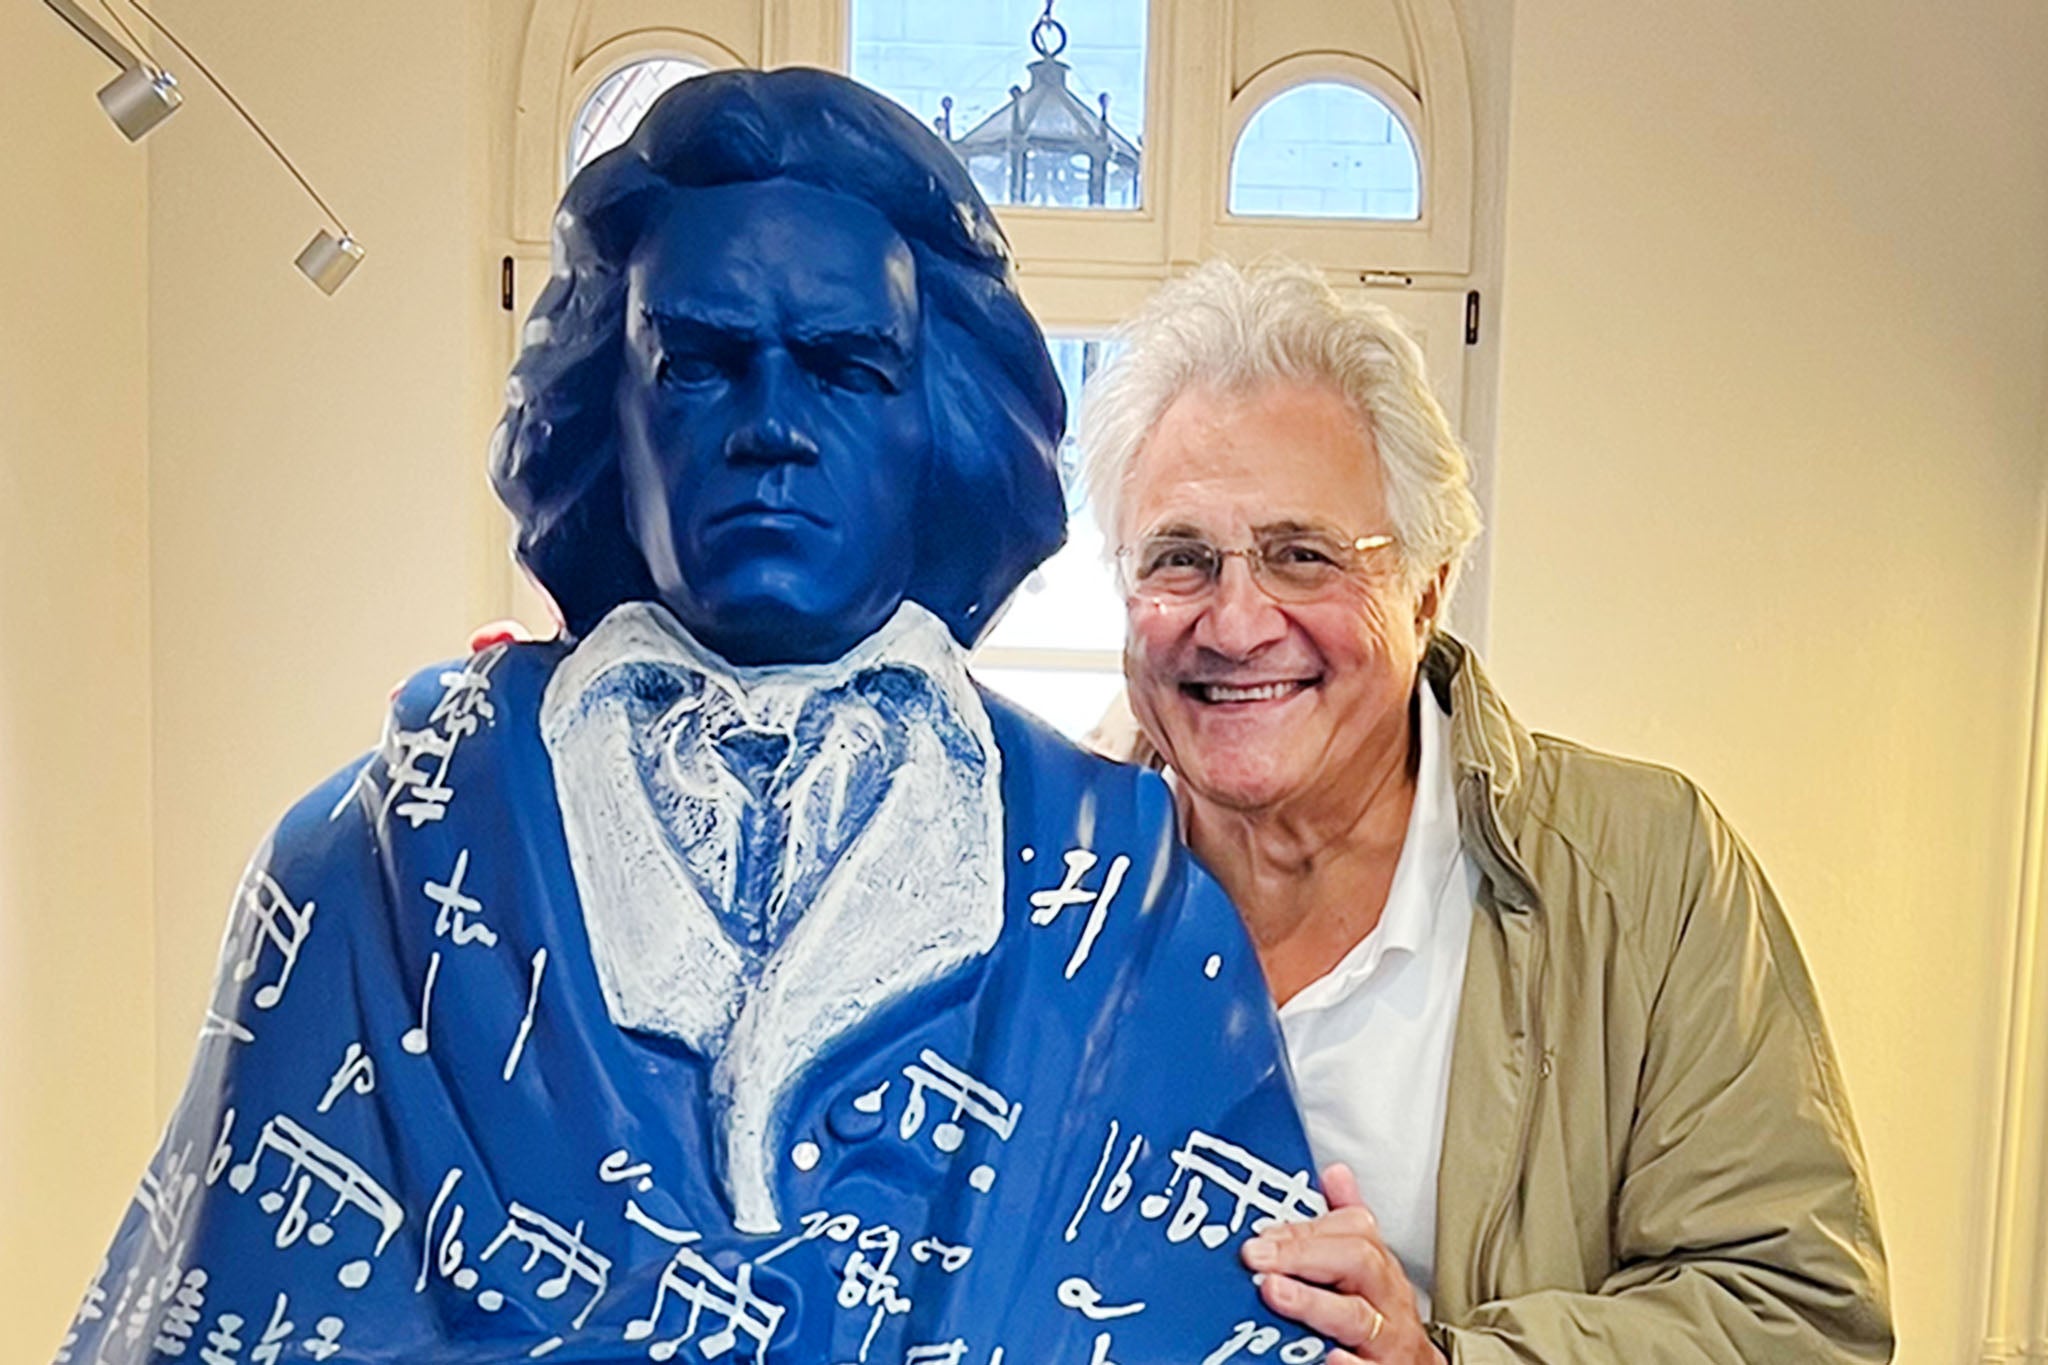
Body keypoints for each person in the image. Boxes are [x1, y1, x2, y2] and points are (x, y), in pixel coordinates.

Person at [55, 72, 1327, 1364]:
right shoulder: (360, 879)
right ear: (609, 401)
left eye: (842, 368)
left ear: (936, 424)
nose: (772, 426)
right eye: (703, 364)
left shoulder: (1122, 898)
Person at [1078, 260, 1893, 1364]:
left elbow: (1795, 1317)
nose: (1233, 624)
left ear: (1426, 586)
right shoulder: (1021, 879)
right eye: (1179, 559)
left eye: (1299, 556)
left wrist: (1448, 1363)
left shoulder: (1643, 875)